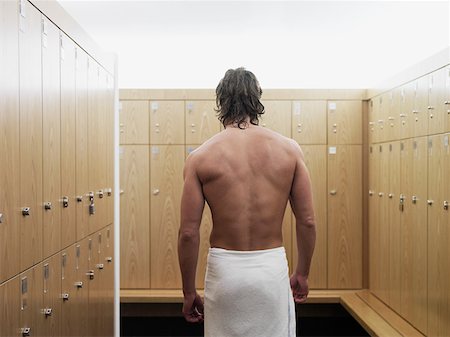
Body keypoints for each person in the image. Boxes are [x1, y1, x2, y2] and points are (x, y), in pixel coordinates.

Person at [178, 67, 316, 336]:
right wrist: (302, 273)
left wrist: (188, 291)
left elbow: (187, 233)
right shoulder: (289, 150)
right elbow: (307, 221)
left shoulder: (201, 157)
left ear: (221, 101)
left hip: (224, 271)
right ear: (257, 99)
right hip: (270, 269)